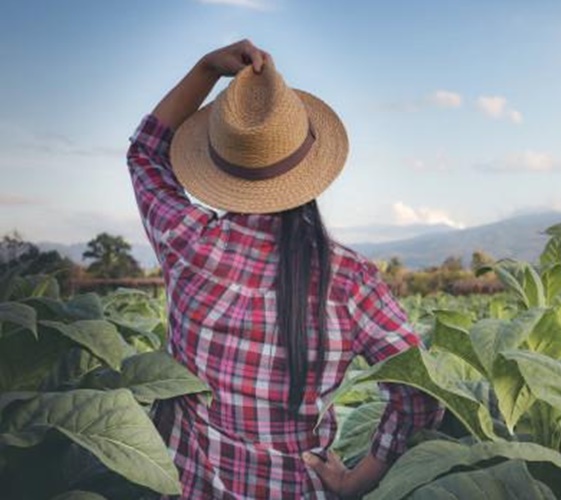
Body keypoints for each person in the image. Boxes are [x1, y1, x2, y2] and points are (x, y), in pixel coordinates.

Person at [127, 39, 443, 498]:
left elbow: (145, 154)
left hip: (187, 484)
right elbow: (419, 390)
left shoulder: (188, 242)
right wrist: (358, 480)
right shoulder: (351, 279)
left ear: (220, 166)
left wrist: (206, 68)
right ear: (310, 164)